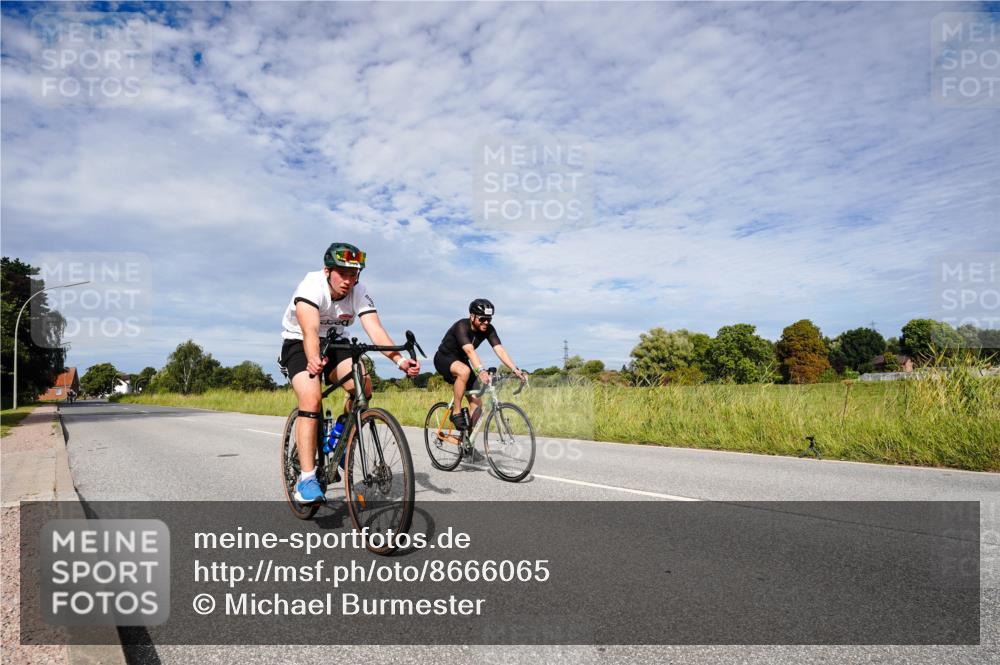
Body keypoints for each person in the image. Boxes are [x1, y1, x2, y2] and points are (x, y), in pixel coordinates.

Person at [279, 242, 420, 503]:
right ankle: (307, 479)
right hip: (299, 343)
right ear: (327, 271)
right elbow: (310, 330)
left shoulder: (359, 290)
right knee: (311, 399)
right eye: (342, 274)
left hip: (336, 343)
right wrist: (313, 358)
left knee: (363, 385)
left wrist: (399, 360)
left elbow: (375, 330)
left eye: (353, 274)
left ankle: (342, 437)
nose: (348, 281)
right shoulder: (311, 285)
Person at [433, 299, 526, 435]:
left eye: (489, 319)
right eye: (482, 319)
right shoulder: (461, 326)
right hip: (444, 358)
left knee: (477, 404)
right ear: (472, 316)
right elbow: (470, 351)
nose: (486, 322)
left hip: (462, 360)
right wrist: (481, 371)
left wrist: (515, 370)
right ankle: (456, 412)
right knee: (464, 371)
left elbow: (500, 350)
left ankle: (467, 442)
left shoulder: (489, 329)